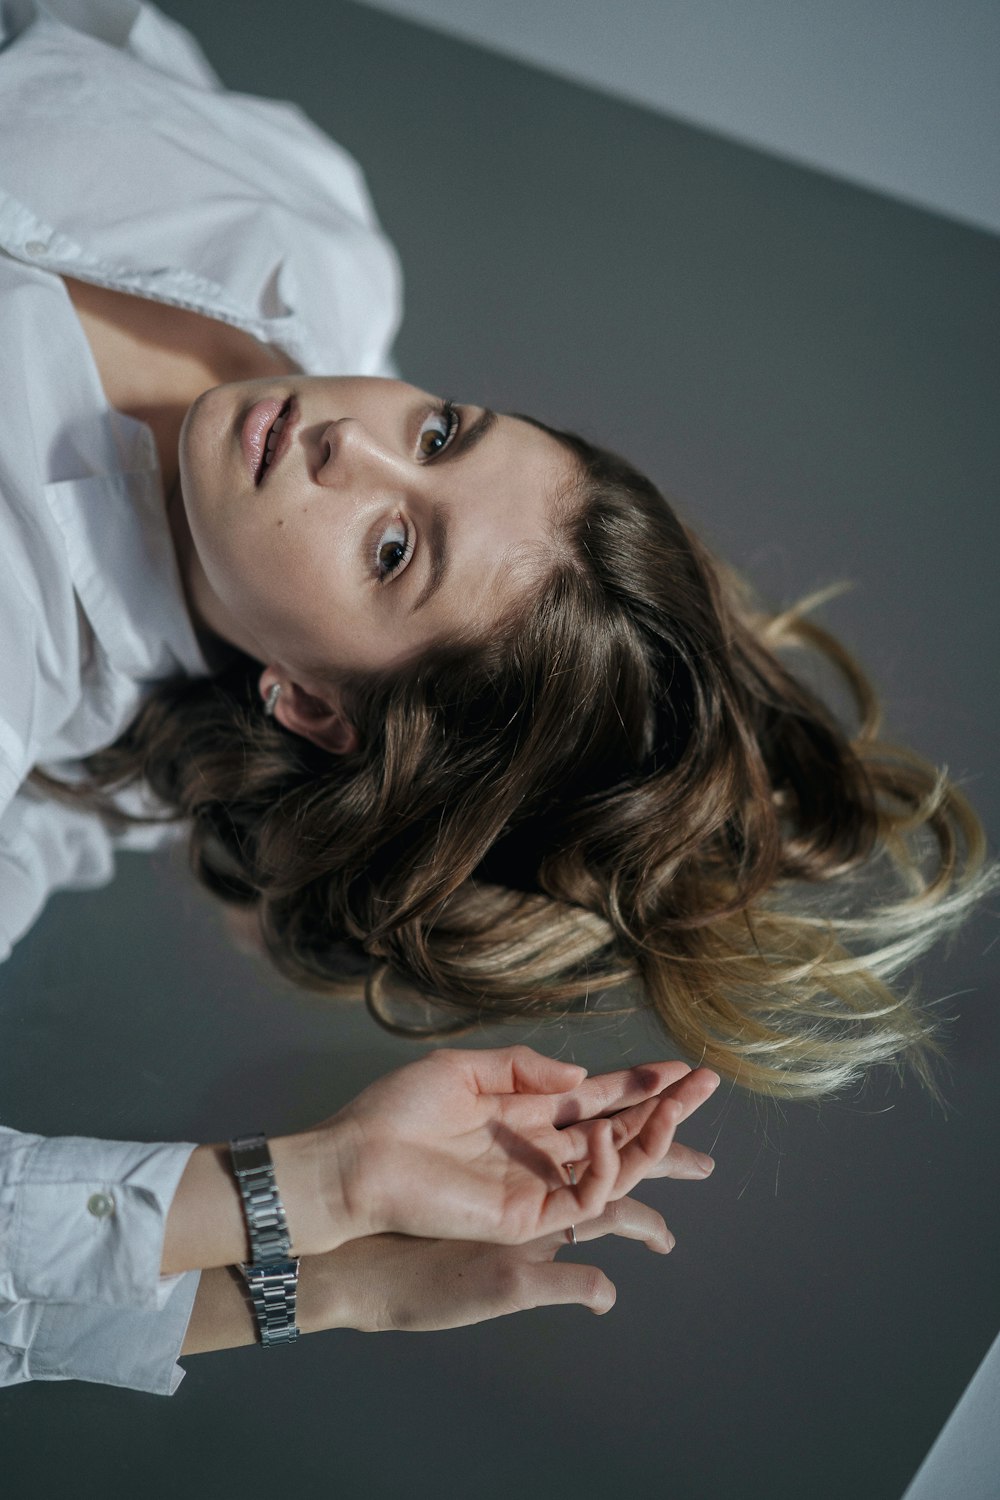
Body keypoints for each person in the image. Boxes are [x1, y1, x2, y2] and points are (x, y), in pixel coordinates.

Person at [0, 0, 990, 1391]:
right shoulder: (329, 245)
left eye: (396, 550)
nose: (355, 439)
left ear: (319, 709)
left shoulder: (22, 678)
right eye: (447, 432)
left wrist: (323, 1218)